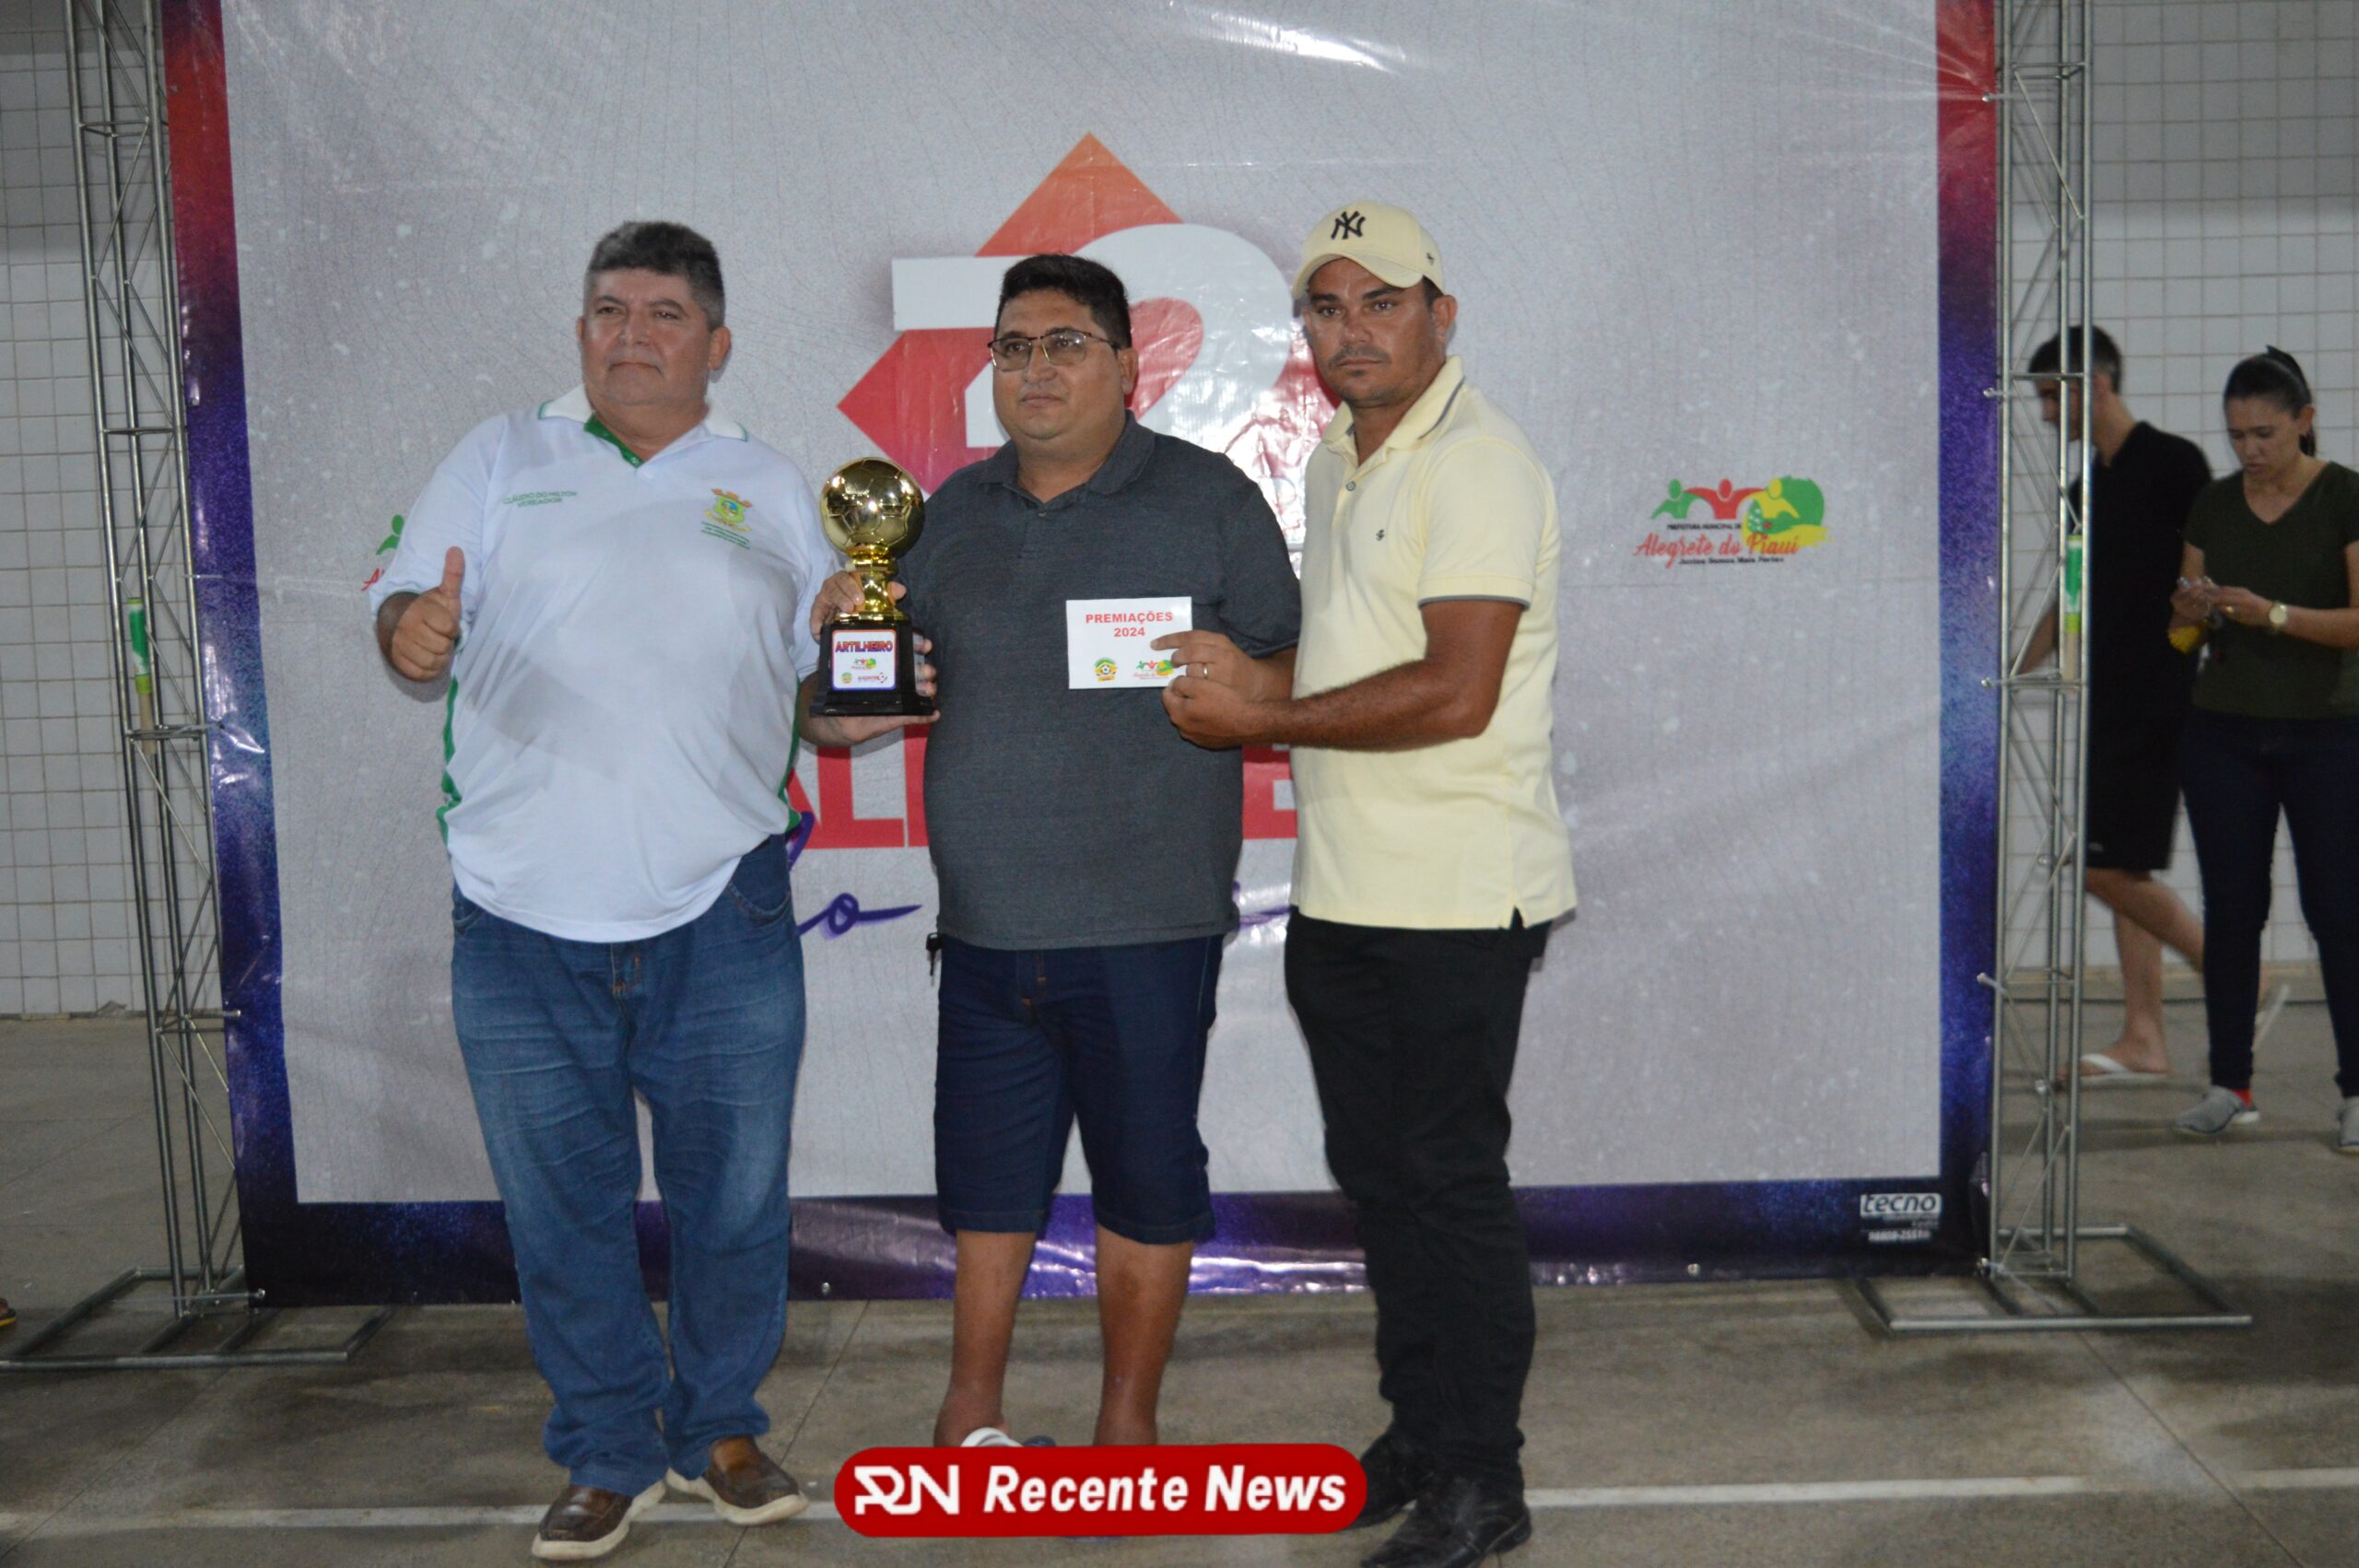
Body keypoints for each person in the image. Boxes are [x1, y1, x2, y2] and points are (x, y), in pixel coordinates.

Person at [370, 221, 927, 1562]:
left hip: (721, 902)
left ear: (716, 344)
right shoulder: (498, 457)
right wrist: (413, 628)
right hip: (518, 912)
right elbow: (405, 612)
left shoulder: (774, 486)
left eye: (665, 313)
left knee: (734, 1203)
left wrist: (852, 709)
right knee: (561, 1207)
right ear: (581, 333)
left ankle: (721, 1428)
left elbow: (815, 690)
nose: (633, 334)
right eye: (609, 310)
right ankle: (606, 1447)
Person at [811, 253, 1300, 1448]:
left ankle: (1125, 1430)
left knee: (1147, 1186)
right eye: (1013, 347)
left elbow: (1295, 671)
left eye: (1065, 343)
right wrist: (839, 676)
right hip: (987, 929)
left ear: (1128, 365)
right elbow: (837, 716)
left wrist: (1250, 682)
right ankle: (969, 1416)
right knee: (987, 1189)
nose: (1035, 368)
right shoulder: (942, 518)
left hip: (1149, 924)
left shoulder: (1208, 498)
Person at [1157, 203, 1575, 1568]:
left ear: (1440, 313)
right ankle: (1424, 1437)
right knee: (1385, 1184)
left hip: (1456, 896)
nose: (1352, 331)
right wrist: (1255, 679)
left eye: (1381, 303)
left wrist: (1261, 719)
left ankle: (1484, 1480)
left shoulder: (1481, 462)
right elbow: (1353, 661)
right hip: (1345, 891)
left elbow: (1455, 691)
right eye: (1328, 308)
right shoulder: (1341, 456)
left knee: (1447, 1184)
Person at [2167, 347, 2359, 1153]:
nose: (2249, 450)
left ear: (2304, 422)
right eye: (2237, 435)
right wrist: (2191, 614)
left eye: (2265, 434)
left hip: (2329, 732)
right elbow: (2182, 636)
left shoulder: (2345, 496)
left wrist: (2272, 614)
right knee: (2233, 911)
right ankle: (2230, 1085)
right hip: (2223, 732)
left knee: (2339, 912)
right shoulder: (2213, 505)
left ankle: (2356, 1091)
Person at [2013, 328, 2213, 1083]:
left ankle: (2234, 973)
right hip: (2114, 698)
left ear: (2093, 383)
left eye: (2049, 395)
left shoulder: (2175, 464)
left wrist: (2182, 659)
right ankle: (2144, 1037)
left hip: (2163, 696)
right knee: (2122, 862)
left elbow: (2205, 579)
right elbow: (2070, 604)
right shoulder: (2081, 493)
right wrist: (2009, 672)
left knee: (2102, 869)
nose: (2043, 413)